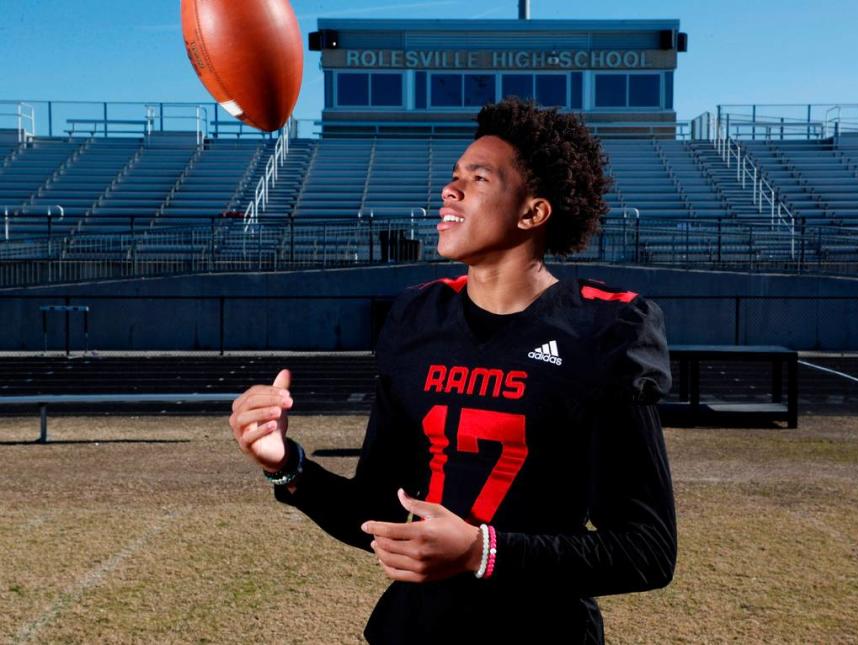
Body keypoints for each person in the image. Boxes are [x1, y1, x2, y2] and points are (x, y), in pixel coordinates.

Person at [228, 97, 676, 644]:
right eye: (453, 176)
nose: (450, 189)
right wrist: (286, 466)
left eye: (478, 178)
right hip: (415, 629)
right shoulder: (418, 318)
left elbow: (647, 550)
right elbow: (375, 511)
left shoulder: (604, 330)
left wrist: (482, 552)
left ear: (532, 213)